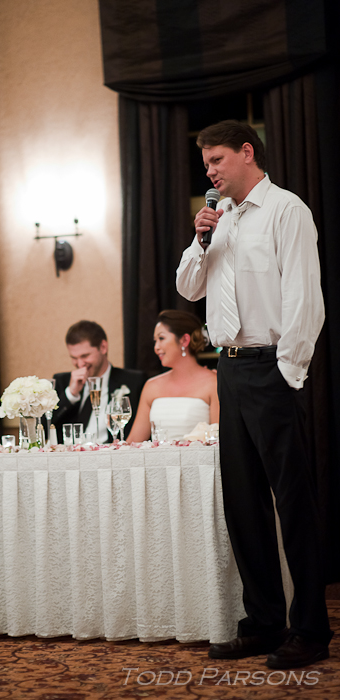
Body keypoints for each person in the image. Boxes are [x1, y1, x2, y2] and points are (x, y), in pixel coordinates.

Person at [176, 120, 332, 669]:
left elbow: (304, 300)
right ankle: (263, 623)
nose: (210, 173)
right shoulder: (217, 220)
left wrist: (287, 373)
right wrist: (200, 240)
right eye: (205, 165)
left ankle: (310, 629)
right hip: (229, 370)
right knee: (243, 505)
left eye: (217, 160)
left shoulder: (287, 210)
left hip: (272, 369)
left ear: (247, 152)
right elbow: (187, 288)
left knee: (293, 504)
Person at [127, 310, 218, 443]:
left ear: (184, 340)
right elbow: (134, 441)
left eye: (161, 338)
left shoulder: (213, 383)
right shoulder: (151, 386)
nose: (156, 347)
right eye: (155, 341)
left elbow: (219, 440)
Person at [51, 320, 147, 443]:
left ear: (103, 347)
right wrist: (71, 394)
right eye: (74, 358)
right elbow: (45, 427)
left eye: (85, 356)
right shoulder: (62, 382)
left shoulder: (134, 381)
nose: (80, 364)